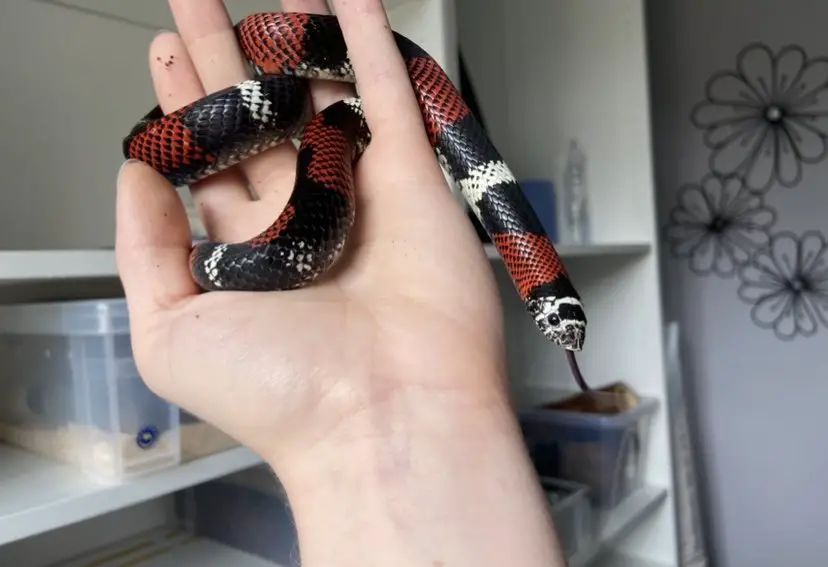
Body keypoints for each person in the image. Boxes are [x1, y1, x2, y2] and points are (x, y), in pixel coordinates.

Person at [115, 1, 568, 565]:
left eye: (549, 313)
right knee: (164, 138)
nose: (554, 325)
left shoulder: (335, 120)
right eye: (553, 311)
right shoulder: (295, 96)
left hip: (313, 139)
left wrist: (214, 263)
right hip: (288, 119)